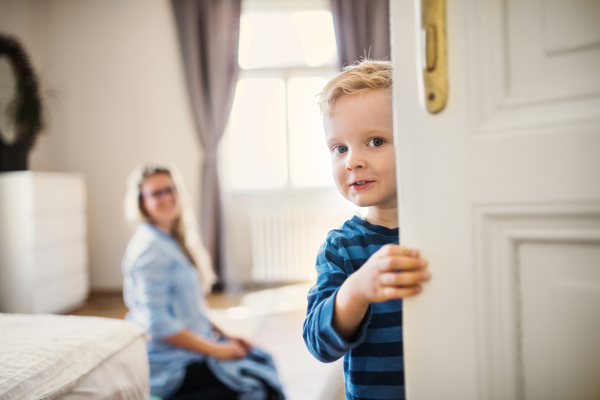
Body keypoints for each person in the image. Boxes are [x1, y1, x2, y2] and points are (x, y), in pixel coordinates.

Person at [303, 60, 431, 400]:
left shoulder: (445, 230)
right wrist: (356, 290)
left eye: (375, 141)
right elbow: (319, 343)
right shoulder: (341, 248)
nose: (352, 161)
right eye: (339, 148)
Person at [122, 164, 284, 400]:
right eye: (157, 193)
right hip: (172, 365)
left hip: (194, 347)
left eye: (170, 189)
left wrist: (225, 335)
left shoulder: (170, 239)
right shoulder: (150, 249)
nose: (167, 196)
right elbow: (157, 322)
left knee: (263, 360)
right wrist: (217, 350)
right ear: (142, 202)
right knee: (260, 386)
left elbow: (190, 309)